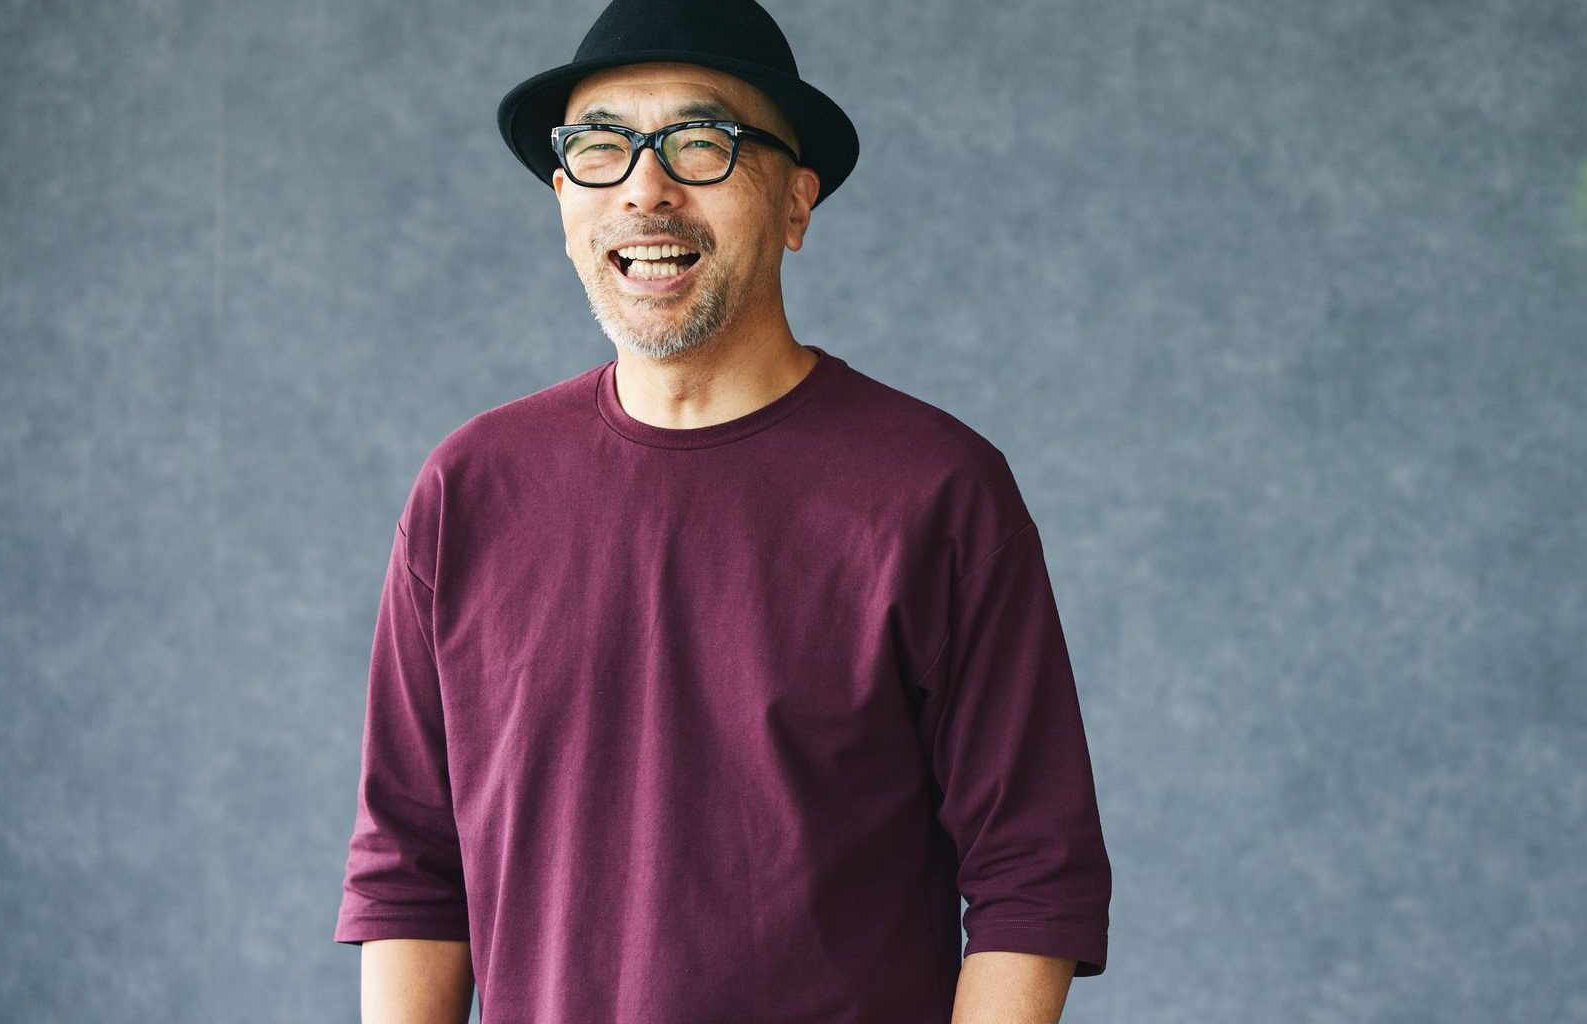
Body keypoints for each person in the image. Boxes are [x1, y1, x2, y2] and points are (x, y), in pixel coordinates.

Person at [330, 0, 1113, 1022]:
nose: (643, 189)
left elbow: (1033, 875)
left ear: (795, 201)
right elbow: (409, 866)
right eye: (600, 148)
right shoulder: (470, 489)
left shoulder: (936, 492)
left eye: (701, 143)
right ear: (564, 198)